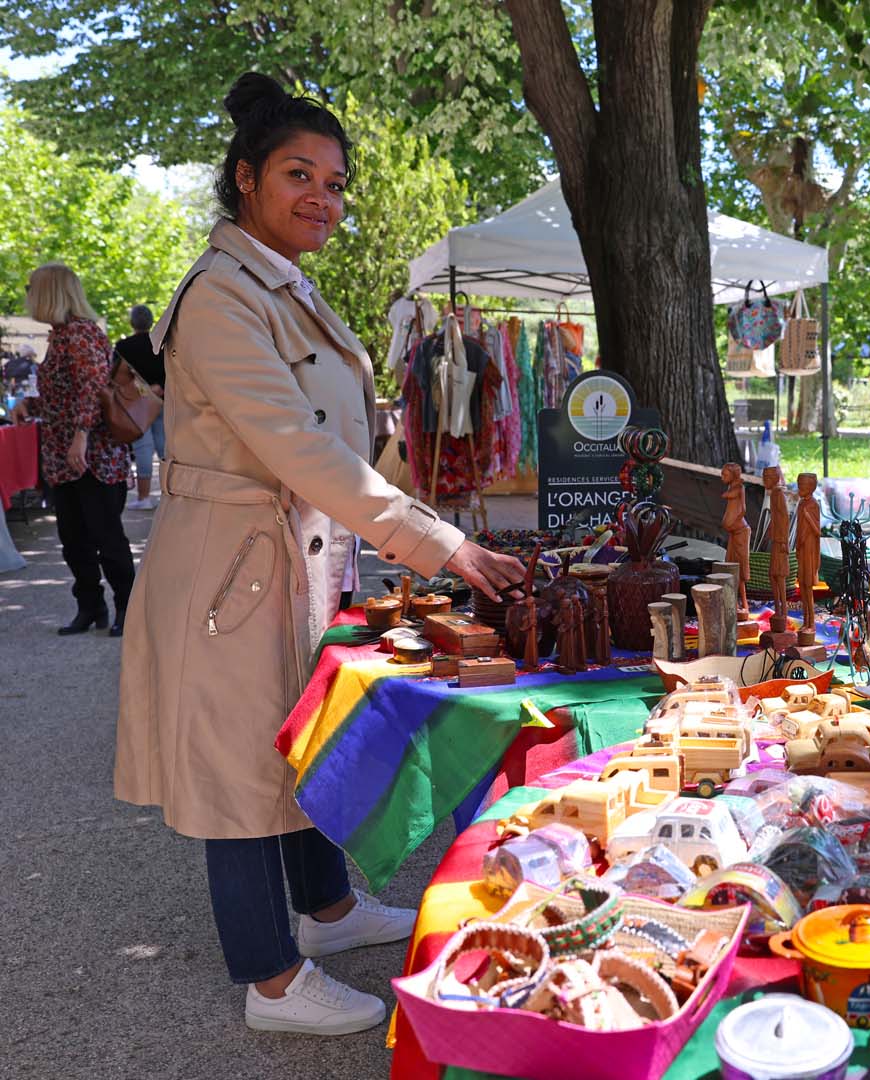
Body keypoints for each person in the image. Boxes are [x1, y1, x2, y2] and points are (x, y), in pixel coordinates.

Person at [114, 72, 527, 1037]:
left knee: (294, 736)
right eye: (301, 176)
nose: (324, 200)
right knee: (235, 774)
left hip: (291, 552)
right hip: (232, 565)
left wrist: (414, 511)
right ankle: (269, 984)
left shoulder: (280, 287)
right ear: (246, 179)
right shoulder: (223, 296)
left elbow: (342, 443)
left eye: (337, 184)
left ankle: (328, 912)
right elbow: (299, 447)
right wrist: (439, 542)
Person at [12, 263, 137, 635]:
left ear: (50, 292)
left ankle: (127, 608)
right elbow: (62, 397)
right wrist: (30, 405)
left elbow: (91, 388)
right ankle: (90, 606)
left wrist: (81, 435)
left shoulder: (81, 334)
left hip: (93, 458)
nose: (28, 294)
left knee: (106, 538)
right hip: (63, 458)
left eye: (32, 288)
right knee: (73, 540)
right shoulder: (62, 335)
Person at [115, 304, 166, 510]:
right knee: (166, 447)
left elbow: (117, 377)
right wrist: (160, 388)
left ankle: (144, 497)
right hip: (163, 399)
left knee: (143, 449)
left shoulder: (123, 346)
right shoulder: (162, 344)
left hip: (137, 405)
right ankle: (167, 495)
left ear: (132, 323)